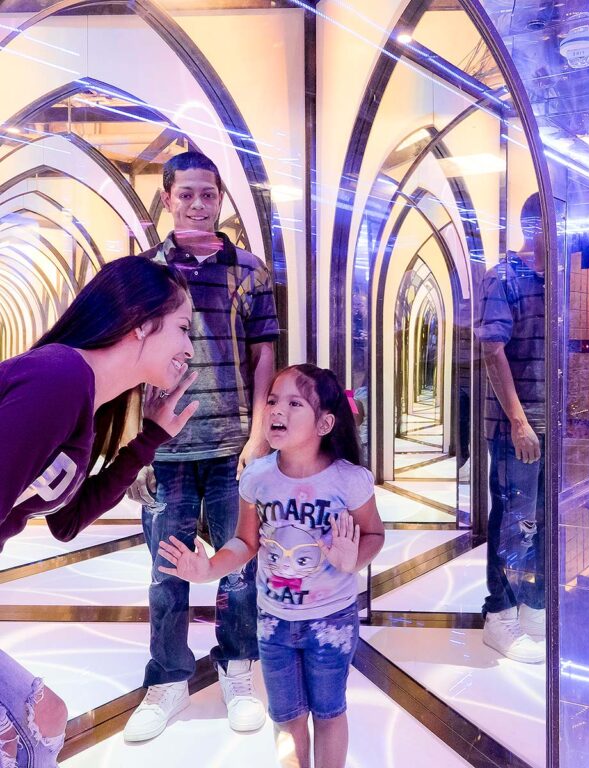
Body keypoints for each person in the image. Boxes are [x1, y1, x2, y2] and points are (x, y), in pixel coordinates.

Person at [0, 256, 198, 768]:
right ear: (140, 324)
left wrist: (149, 438)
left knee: (42, 723)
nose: (189, 348)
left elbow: (66, 521)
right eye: (182, 327)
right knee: (27, 732)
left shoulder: (84, 399)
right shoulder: (58, 379)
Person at [156, 364, 385, 768]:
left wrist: (354, 561)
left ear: (325, 422)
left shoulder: (349, 481)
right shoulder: (258, 478)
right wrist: (207, 569)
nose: (277, 410)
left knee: (329, 713)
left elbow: (374, 535)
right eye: (273, 400)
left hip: (331, 622)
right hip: (274, 622)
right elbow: (245, 542)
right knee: (287, 716)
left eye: (294, 403)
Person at [124, 151, 279, 742]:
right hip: (165, 450)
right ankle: (167, 680)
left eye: (207, 194)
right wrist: (135, 448)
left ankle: (237, 669)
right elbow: (129, 361)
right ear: (166, 198)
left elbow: (264, 353)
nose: (197, 204)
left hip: (232, 446)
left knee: (240, 566)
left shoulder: (250, 271)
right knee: (167, 576)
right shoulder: (146, 273)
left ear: (221, 200)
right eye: (185, 193)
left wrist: (260, 435)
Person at [474, 193, 546, 663]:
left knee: (538, 522)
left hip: (556, 425)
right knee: (514, 521)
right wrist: (519, 422)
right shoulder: (504, 277)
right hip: (515, 426)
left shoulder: (562, 280)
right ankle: (498, 614)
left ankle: (532, 604)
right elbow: (491, 351)